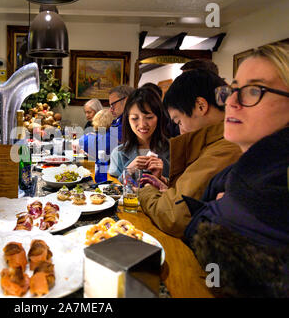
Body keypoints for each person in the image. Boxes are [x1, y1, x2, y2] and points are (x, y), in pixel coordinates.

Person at [183, 43, 289, 297]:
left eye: (254, 90)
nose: (231, 102)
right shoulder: (239, 174)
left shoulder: (271, 184)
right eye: (232, 89)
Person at [137, 69, 242, 237]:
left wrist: (146, 190)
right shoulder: (215, 144)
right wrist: (168, 187)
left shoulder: (224, 149)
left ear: (201, 106)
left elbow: (174, 216)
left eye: (179, 121)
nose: (180, 131)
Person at [108, 87, 170, 181]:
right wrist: (128, 171)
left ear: (159, 117)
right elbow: (112, 190)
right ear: (127, 120)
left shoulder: (173, 150)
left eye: (149, 117)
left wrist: (161, 179)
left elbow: (182, 189)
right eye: (134, 118)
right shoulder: (118, 153)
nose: (142, 125)